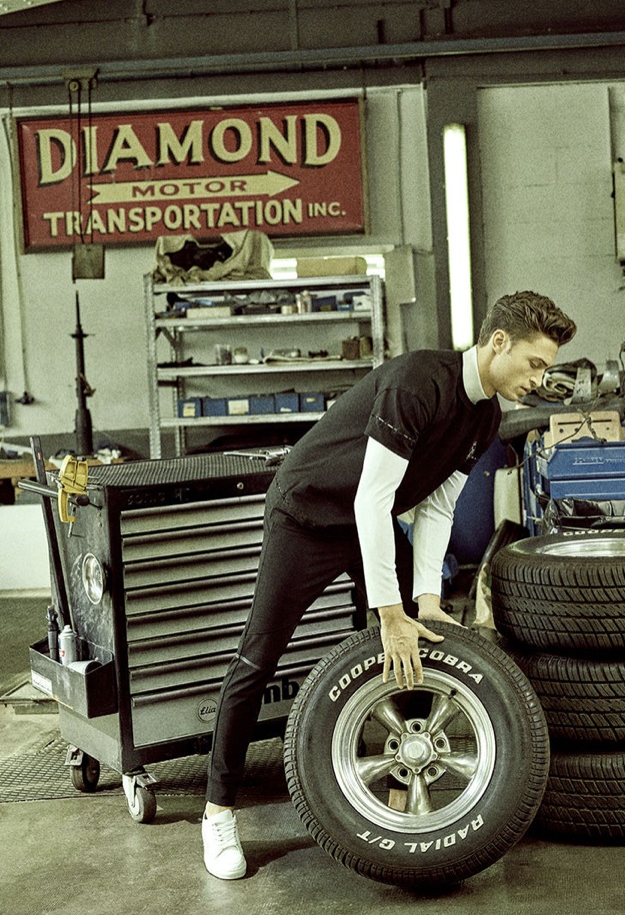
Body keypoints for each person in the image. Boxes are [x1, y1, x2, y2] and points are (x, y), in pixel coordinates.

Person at [201, 289, 577, 879]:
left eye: (546, 368)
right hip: (307, 514)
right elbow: (371, 500)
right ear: (498, 343)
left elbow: (437, 510)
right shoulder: (417, 382)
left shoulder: (486, 415)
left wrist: (424, 600)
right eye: (535, 363)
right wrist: (391, 613)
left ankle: (394, 776)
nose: (540, 379)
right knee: (259, 656)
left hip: (368, 523)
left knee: (418, 634)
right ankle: (218, 811)